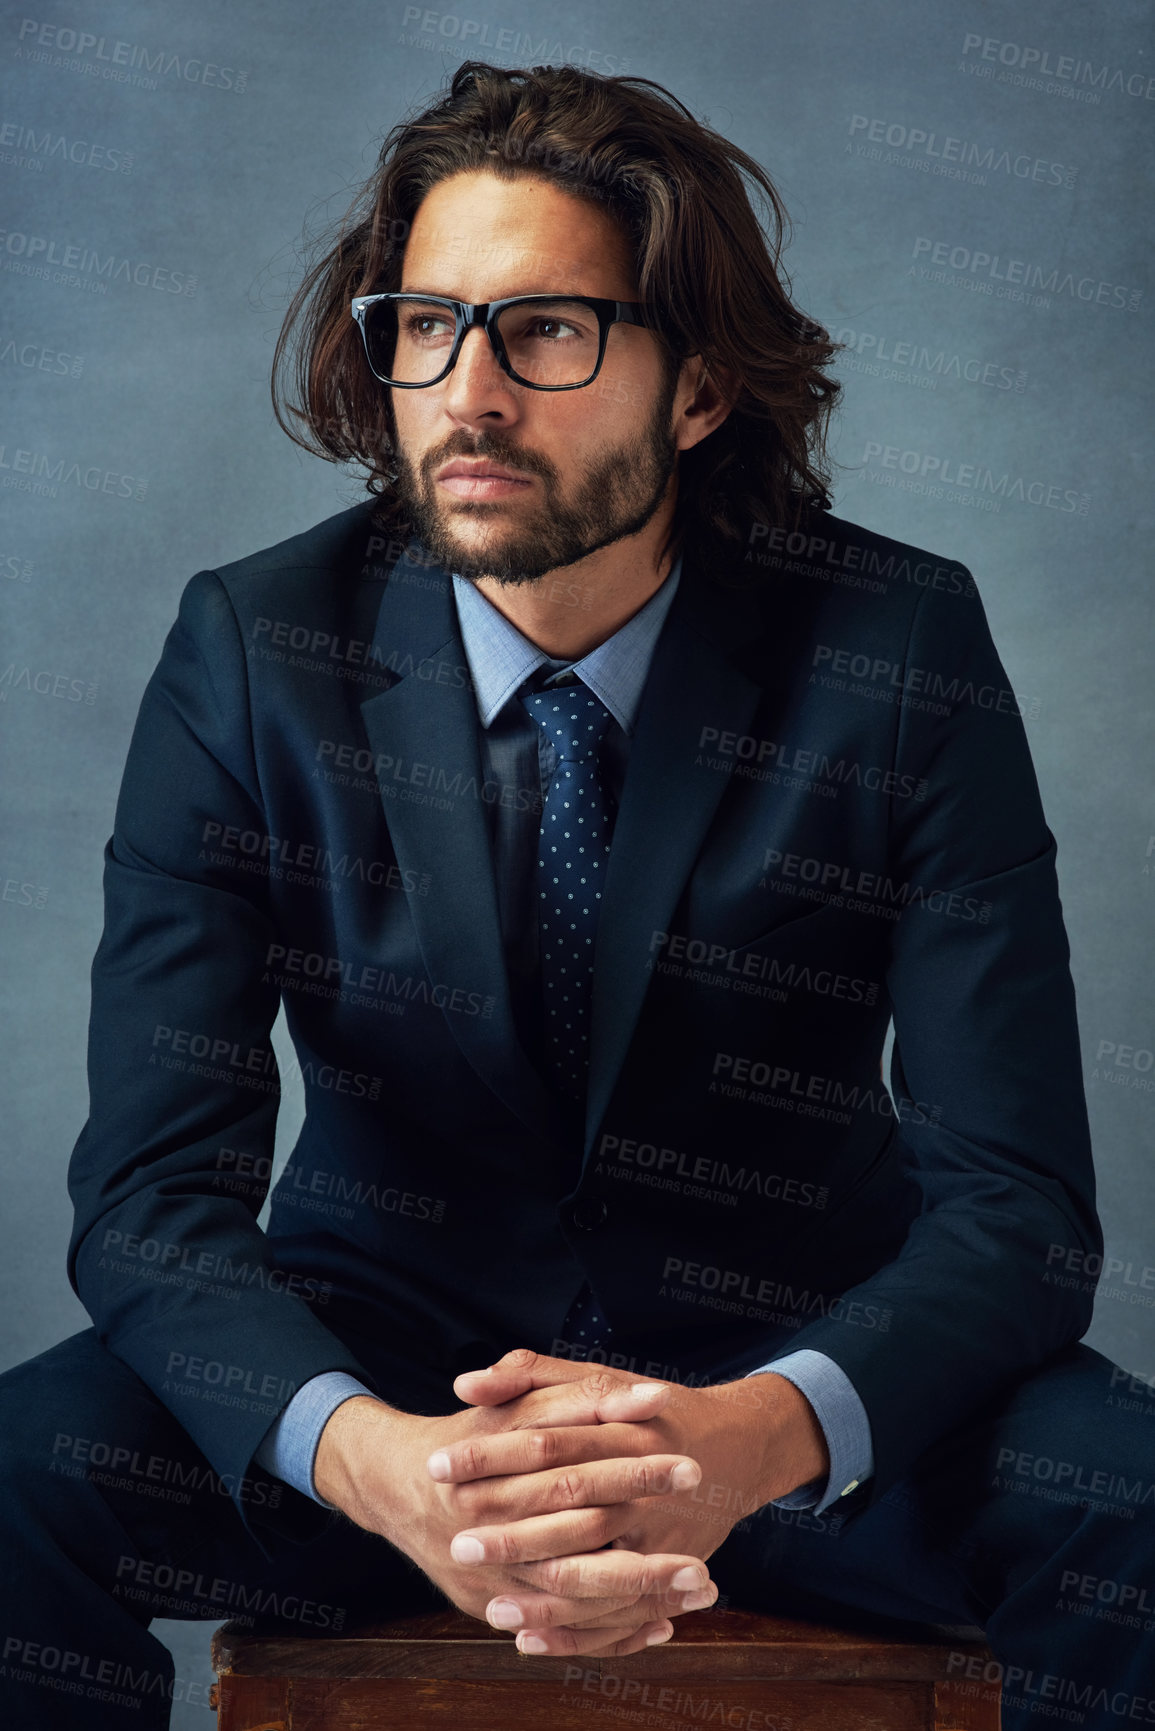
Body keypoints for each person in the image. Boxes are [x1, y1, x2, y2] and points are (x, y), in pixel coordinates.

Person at [2, 60, 1150, 1731]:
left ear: (698, 390)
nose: (469, 394)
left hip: (801, 1393)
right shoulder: (255, 655)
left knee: (1133, 1514)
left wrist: (747, 1440)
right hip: (397, 1388)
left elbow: (1023, 1216)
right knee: (19, 1487)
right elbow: (149, 1198)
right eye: (426, 325)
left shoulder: (899, 653)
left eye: (548, 331)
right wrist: (383, 1463)